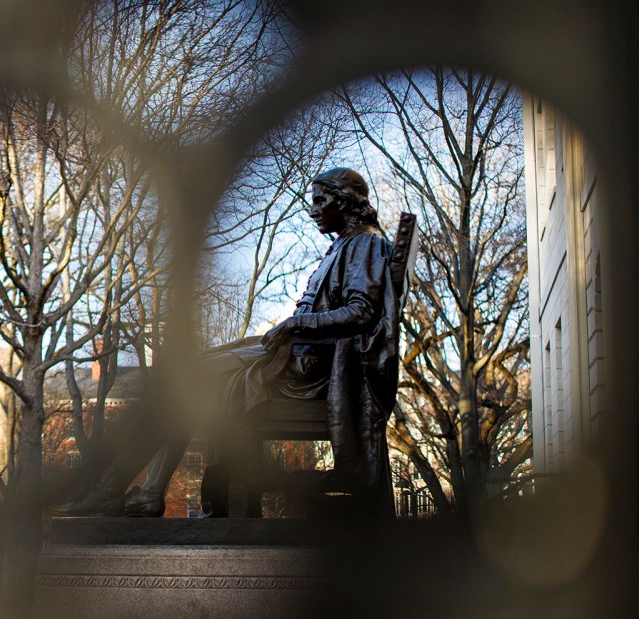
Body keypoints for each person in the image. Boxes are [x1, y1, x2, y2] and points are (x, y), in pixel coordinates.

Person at [51, 167, 402, 519]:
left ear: (344, 201)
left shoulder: (367, 244)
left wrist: (297, 323)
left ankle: (121, 491)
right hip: (297, 356)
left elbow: (361, 312)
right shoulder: (348, 244)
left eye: (319, 201)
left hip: (312, 370)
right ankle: (142, 491)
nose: (312, 210)